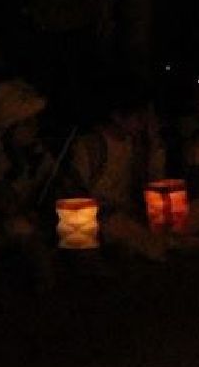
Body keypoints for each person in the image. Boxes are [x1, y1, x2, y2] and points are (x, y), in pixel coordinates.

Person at [63, 87, 169, 260]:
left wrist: (155, 146)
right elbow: (74, 193)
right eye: (139, 117)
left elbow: (154, 184)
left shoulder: (137, 144)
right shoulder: (91, 145)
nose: (144, 123)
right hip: (100, 217)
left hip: (130, 212)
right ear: (117, 117)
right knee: (136, 236)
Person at [0, 77, 55, 284]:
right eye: (25, 123)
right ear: (7, 129)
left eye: (35, 120)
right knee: (19, 225)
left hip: (34, 220)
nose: (34, 127)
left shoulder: (40, 155)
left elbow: (53, 185)